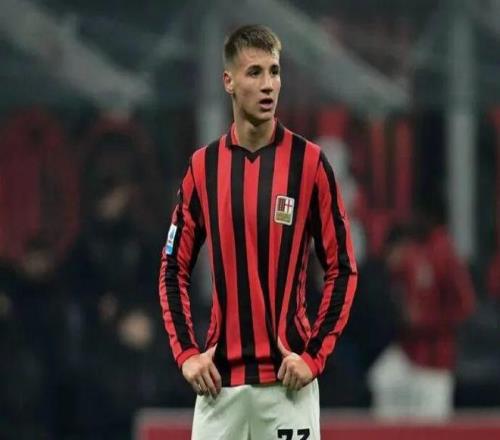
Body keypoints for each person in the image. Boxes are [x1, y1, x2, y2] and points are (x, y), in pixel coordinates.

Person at [158, 24, 358, 439]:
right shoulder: (203, 168)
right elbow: (172, 268)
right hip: (220, 388)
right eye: (255, 72)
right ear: (228, 81)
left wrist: (314, 356)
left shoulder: (309, 164)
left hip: (288, 390)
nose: (268, 85)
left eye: (274, 71)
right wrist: (187, 354)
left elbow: (342, 268)